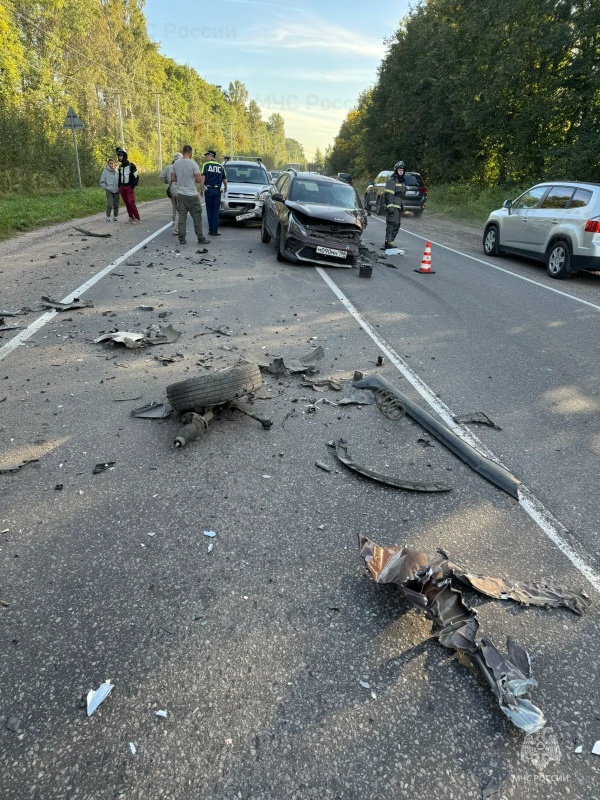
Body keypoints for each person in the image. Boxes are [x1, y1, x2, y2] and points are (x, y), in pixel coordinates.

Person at [170, 144, 209, 245]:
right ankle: (200, 238)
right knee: (197, 217)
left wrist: (181, 179)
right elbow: (198, 179)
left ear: (183, 152)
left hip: (181, 194)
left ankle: (182, 238)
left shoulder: (176, 163)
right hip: (191, 195)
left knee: (182, 217)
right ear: (190, 153)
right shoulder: (193, 164)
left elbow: (173, 178)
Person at [201, 149, 227, 236]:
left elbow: (203, 179)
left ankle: (210, 230)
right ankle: (215, 231)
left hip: (208, 190)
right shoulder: (221, 167)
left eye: (207, 156)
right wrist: (225, 188)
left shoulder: (206, 165)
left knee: (209, 210)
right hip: (217, 191)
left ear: (211, 156)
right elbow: (225, 180)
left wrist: (201, 190)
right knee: (215, 211)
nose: (206, 157)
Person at [383, 160, 407, 249]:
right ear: (396, 170)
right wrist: (390, 208)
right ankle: (387, 244)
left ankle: (390, 244)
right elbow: (388, 195)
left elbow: (400, 197)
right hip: (392, 207)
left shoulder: (401, 182)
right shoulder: (392, 180)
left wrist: (403, 208)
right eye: (399, 170)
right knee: (391, 225)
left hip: (398, 208)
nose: (401, 172)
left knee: (397, 225)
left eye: (402, 170)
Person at [116, 146, 141, 224]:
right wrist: (119, 186)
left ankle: (137, 218)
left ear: (124, 156)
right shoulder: (120, 167)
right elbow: (119, 177)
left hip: (129, 187)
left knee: (131, 202)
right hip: (122, 187)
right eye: (118, 156)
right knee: (126, 203)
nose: (119, 157)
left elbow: (136, 176)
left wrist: (132, 186)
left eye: (121, 156)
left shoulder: (131, 166)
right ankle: (131, 217)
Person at [160, 152, 183, 234]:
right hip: (180, 189)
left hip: (171, 188)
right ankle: (176, 228)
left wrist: (167, 181)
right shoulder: (181, 167)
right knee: (180, 208)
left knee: (174, 205)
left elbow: (161, 176)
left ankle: (174, 219)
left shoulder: (169, 167)